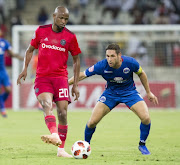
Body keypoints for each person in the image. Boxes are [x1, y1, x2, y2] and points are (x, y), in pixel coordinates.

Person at [68, 43, 158, 155]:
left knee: (146, 117)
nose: (109, 59)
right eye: (107, 56)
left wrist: (148, 92)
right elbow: (82, 75)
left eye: (112, 56)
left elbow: (142, 74)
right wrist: (66, 83)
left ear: (119, 55)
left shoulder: (130, 63)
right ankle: (86, 145)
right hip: (110, 94)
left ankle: (142, 145)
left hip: (129, 93)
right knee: (92, 122)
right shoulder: (102, 65)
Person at [17, 6, 81, 158]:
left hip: (61, 79)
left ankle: (60, 150)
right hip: (43, 78)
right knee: (47, 104)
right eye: (61, 18)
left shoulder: (70, 37)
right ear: (54, 16)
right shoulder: (41, 31)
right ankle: (54, 134)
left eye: (66, 19)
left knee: (63, 113)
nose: (64, 21)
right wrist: (25, 68)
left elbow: (77, 60)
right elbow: (29, 50)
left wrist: (76, 84)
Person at [0, 29, 23, 118]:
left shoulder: (4, 43)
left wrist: (21, 58)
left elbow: (11, 54)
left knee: (8, 90)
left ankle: (1, 106)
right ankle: (3, 110)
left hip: (3, 70)